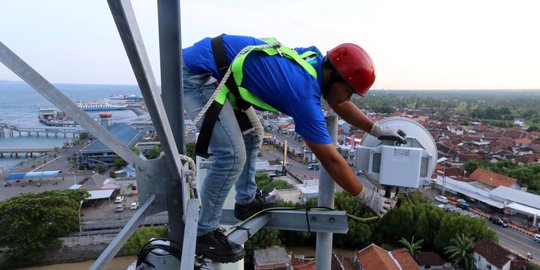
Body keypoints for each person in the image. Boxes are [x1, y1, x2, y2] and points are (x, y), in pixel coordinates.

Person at [182, 34, 406, 263]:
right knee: (231, 155)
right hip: (198, 73)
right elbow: (331, 159)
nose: (349, 97)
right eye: (349, 91)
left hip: (217, 68)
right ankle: (204, 232)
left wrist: (376, 129)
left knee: (252, 136)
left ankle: (246, 201)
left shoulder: (315, 61)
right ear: (335, 78)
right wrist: (367, 196)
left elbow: (339, 102)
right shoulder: (304, 96)